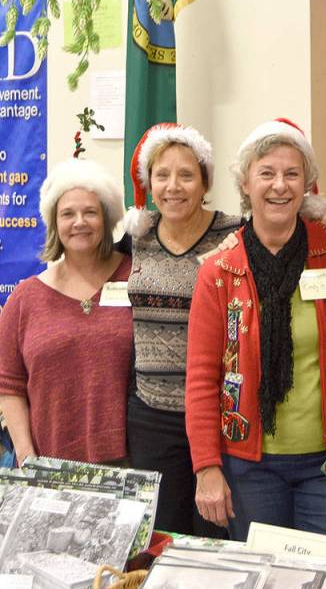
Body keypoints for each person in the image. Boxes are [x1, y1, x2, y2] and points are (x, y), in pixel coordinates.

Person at [185, 118, 326, 539]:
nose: (279, 185)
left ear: (306, 184)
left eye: (291, 174)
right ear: (246, 183)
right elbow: (203, 379)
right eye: (267, 173)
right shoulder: (220, 271)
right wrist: (207, 467)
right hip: (248, 466)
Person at [123, 123, 241, 535]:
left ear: (205, 181)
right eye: (162, 175)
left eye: (186, 175)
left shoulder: (237, 233)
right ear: (147, 182)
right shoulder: (135, 237)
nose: (174, 186)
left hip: (218, 415)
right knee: (162, 536)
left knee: (217, 534)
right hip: (151, 415)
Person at [0, 159, 131, 464]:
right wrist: (26, 456)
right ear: (55, 223)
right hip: (50, 465)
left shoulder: (136, 279)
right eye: (68, 213)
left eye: (90, 212)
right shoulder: (24, 300)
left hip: (130, 466)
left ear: (106, 219)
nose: (79, 222)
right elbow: (10, 385)